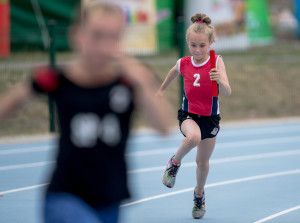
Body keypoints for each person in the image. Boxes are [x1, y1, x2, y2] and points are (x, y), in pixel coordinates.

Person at [0, 1, 172, 223]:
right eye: (97, 36)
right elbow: (12, 102)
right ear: (76, 35)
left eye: (114, 37)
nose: (105, 46)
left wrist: (142, 82)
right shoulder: (56, 79)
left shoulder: (128, 83)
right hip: (65, 196)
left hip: (110, 198)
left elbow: (163, 127)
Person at [156, 13, 231, 219]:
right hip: (189, 115)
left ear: (210, 43)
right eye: (193, 45)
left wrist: (221, 81)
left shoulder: (217, 61)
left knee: (202, 163)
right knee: (193, 137)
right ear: (188, 43)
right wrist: (162, 90)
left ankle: (199, 195)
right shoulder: (184, 62)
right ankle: (174, 163)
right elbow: (173, 71)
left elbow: (227, 92)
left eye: (202, 46)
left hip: (210, 118)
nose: (197, 50)